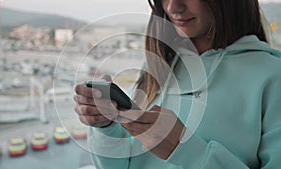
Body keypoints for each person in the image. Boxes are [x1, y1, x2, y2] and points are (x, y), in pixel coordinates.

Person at [74, 0, 281, 168]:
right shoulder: (159, 63)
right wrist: (107, 128)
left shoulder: (272, 75)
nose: (173, 6)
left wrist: (184, 150)